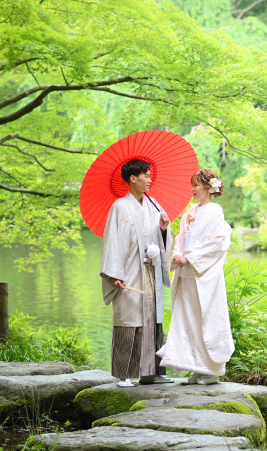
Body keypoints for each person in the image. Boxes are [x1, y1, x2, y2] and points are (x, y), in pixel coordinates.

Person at [100, 159, 173, 387]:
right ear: (133, 178)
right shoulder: (120, 206)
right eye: (146, 175)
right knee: (128, 320)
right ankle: (123, 374)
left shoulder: (154, 205)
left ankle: (152, 372)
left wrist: (163, 229)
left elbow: (161, 240)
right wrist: (114, 274)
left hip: (150, 272)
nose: (150, 179)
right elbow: (112, 242)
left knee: (153, 321)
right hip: (129, 272)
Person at [157, 168, 234, 385]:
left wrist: (190, 258)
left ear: (209, 187)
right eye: (192, 184)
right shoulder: (192, 210)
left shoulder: (215, 211)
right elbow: (181, 237)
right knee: (189, 319)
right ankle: (197, 367)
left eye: (196, 185)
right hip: (188, 272)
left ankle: (212, 370)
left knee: (205, 318)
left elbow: (218, 242)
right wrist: (179, 254)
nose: (192, 189)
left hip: (204, 274)